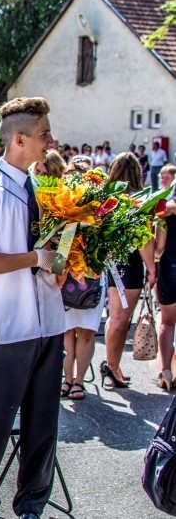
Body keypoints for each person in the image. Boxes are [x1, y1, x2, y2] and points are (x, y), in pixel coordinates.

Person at [0, 97, 66, 519]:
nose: (50, 142)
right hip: (7, 328)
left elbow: (54, 256)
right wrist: (33, 259)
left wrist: (69, 259)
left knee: (43, 425)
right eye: (44, 135)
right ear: (19, 139)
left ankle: (32, 506)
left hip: (49, 322)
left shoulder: (45, 191)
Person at [102, 152, 157, 388]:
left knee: (116, 318)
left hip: (112, 264)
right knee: (120, 320)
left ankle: (112, 364)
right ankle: (111, 366)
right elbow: (143, 240)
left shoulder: (108, 198)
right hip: (130, 265)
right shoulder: (138, 202)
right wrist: (152, 269)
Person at [61, 160, 105, 401]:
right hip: (66, 276)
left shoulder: (100, 210)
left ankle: (79, 381)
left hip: (91, 275)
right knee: (67, 331)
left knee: (86, 332)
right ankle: (67, 380)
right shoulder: (61, 208)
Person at [156, 188, 176, 390]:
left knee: (167, 323)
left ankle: (166, 371)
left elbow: (159, 247)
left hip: (170, 269)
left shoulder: (165, 209)